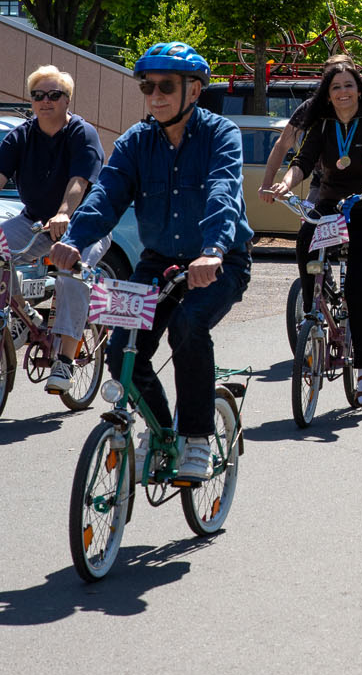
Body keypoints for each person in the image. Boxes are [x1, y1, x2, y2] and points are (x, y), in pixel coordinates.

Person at [52, 43, 252, 484]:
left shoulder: (221, 135)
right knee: (123, 351)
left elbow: (223, 192)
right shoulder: (135, 142)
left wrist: (213, 250)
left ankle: (196, 437)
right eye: (147, 86)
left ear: (194, 90)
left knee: (188, 325)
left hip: (220, 260)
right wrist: (73, 241)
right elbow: (105, 196)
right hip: (159, 262)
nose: (154, 95)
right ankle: (162, 432)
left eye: (166, 86)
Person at [0, 65, 109, 394]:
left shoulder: (82, 134)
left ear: (67, 100)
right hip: (35, 220)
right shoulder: (20, 135)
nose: (45, 101)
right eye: (38, 95)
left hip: (84, 223)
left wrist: (65, 213)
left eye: (54, 95)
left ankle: (64, 360)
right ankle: (4, 319)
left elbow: (79, 181)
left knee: (71, 273)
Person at [268, 62, 362, 407]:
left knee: (357, 289)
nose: (342, 92)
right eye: (335, 87)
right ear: (328, 93)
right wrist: (285, 183)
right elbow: (302, 160)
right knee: (305, 245)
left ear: (359, 89)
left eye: (348, 86)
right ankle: (313, 311)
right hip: (331, 209)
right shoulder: (322, 125)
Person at [257, 52, 354, 210]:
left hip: (360, 187)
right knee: (309, 231)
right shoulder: (312, 108)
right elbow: (283, 145)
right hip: (322, 186)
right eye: (331, 77)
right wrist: (267, 184)